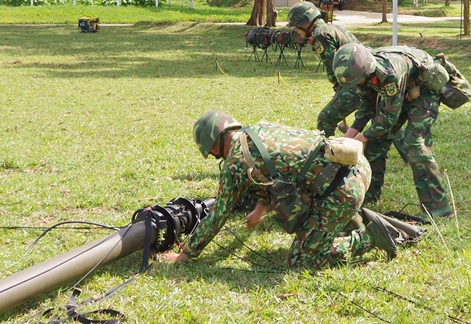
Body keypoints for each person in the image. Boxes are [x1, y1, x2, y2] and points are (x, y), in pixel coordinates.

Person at [165, 111, 400, 269]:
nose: (215, 156)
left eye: (212, 152)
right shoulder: (259, 129)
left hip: (341, 191)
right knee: (319, 218)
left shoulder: (235, 162)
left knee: (301, 259)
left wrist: (185, 254)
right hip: (356, 166)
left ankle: (369, 237)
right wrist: (260, 209)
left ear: (214, 144)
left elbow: (218, 215)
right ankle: (352, 220)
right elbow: (273, 171)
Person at [334, 43, 454, 217]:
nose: (357, 84)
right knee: (375, 142)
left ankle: (438, 208)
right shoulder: (362, 73)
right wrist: (349, 134)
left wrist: (356, 141)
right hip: (403, 92)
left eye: (358, 81)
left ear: (367, 70)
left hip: (425, 90)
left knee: (415, 143)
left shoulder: (388, 74)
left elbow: (387, 120)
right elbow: (367, 106)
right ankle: (369, 196)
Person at [287, 1, 362, 135]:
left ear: (305, 23)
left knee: (325, 119)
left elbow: (334, 68)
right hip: (363, 79)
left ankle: (325, 154)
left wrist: (337, 87)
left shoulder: (320, 36)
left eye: (297, 27)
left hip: (357, 85)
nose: (296, 31)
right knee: (386, 124)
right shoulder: (331, 28)